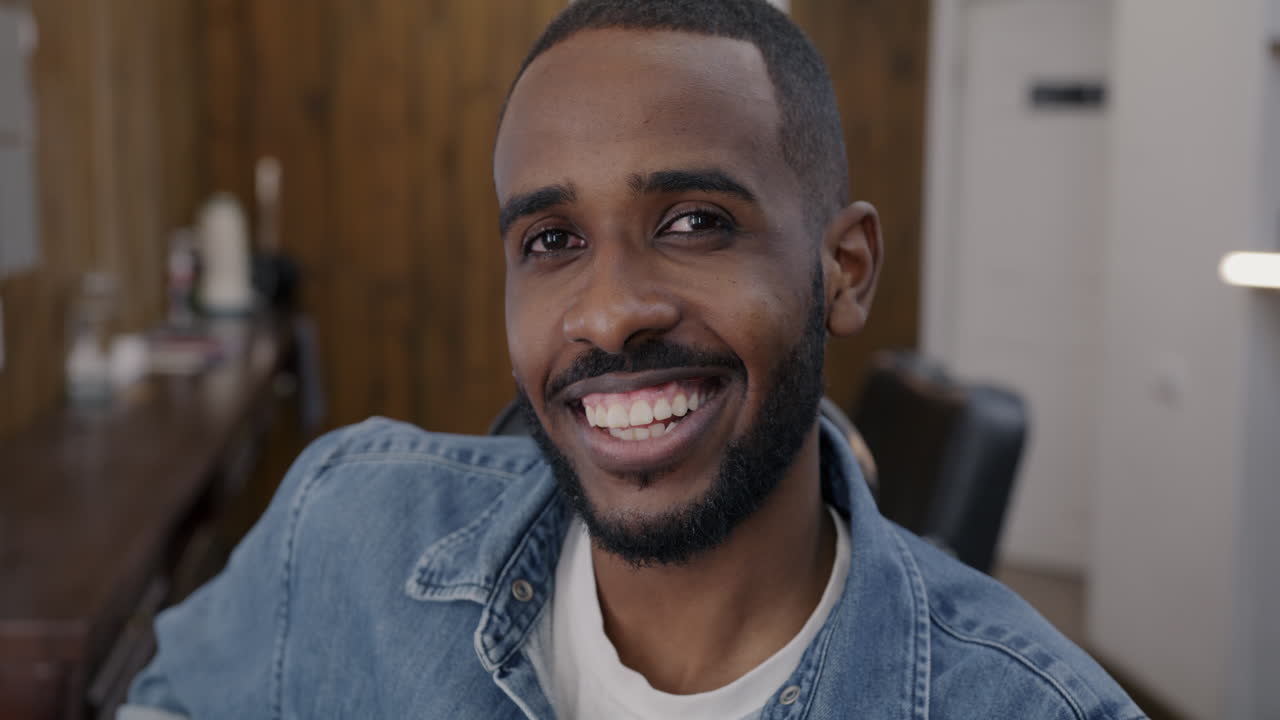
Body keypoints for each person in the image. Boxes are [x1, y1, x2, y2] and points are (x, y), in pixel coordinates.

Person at [122, 1, 1145, 718]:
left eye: (695, 221)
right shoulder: (344, 531)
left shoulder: (1030, 707)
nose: (607, 315)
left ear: (843, 269)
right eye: (551, 241)